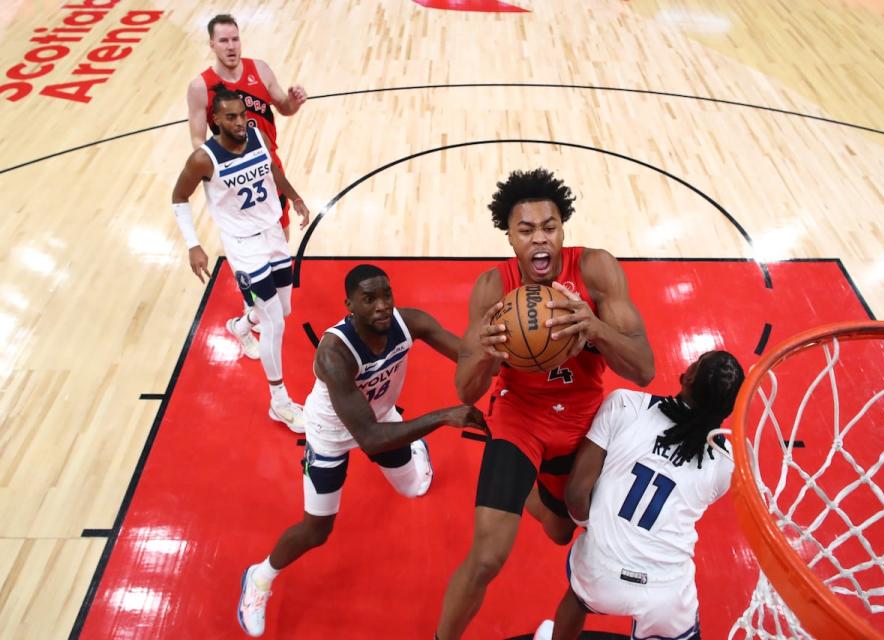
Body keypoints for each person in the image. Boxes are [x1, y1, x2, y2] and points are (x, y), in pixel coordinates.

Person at [436, 168, 656, 638]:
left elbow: (645, 369)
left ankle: (532, 490)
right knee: (487, 558)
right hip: (520, 420)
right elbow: (465, 391)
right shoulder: (494, 289)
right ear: (510, 238)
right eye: (527, 230)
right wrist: (489, 358)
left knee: (560, 533)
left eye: (550, 227)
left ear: (563, 228)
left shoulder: (595, 269)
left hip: (583, 420)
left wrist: (595, 327)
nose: (541, 240)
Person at [237, 264, 488, 637]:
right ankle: (260, 578)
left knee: (414, 488)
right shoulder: (334, 353)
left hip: (381, 417)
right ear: (349, 305)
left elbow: (468, 353)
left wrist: (508, 349)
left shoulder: (410, 323)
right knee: (317, 529)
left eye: (387, 295)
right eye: (369, 299)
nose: (382, 305)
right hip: (332, 434)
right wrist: (443, 416)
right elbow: (369, 438)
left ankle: (413, 444)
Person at [533, 350, 745, 640]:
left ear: (690, 376)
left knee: (577, 599)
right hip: (666, 589)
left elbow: (576, 493)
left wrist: (592, 524)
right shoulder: (727, 463)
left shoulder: (625, 404)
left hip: (600, 570)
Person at [171, 89, 310, 432]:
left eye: (242, 115)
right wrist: (194, 244)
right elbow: (178, 198)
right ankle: (279, 403)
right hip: (244, 248)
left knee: (284, 309)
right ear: (215, 120)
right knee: (275, 322)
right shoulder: (204, 159)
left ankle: (241, 325)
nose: (239, 122)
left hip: (273, 235)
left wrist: (293, 196)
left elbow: (271, 170)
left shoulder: (257, 135)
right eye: (230, 117)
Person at [186, 13, 308, 350]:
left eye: (235, 39)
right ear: (211, 44)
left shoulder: (261, 69)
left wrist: (294, 102)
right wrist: (221, 164)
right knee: (245, 245)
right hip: (233, 173)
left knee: (277, 235)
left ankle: (251, 315)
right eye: (223, 40)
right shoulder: (201, 86)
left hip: (268, 163)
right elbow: (197, 138)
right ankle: (250, 308)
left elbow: (282, 106)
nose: (231, 46)